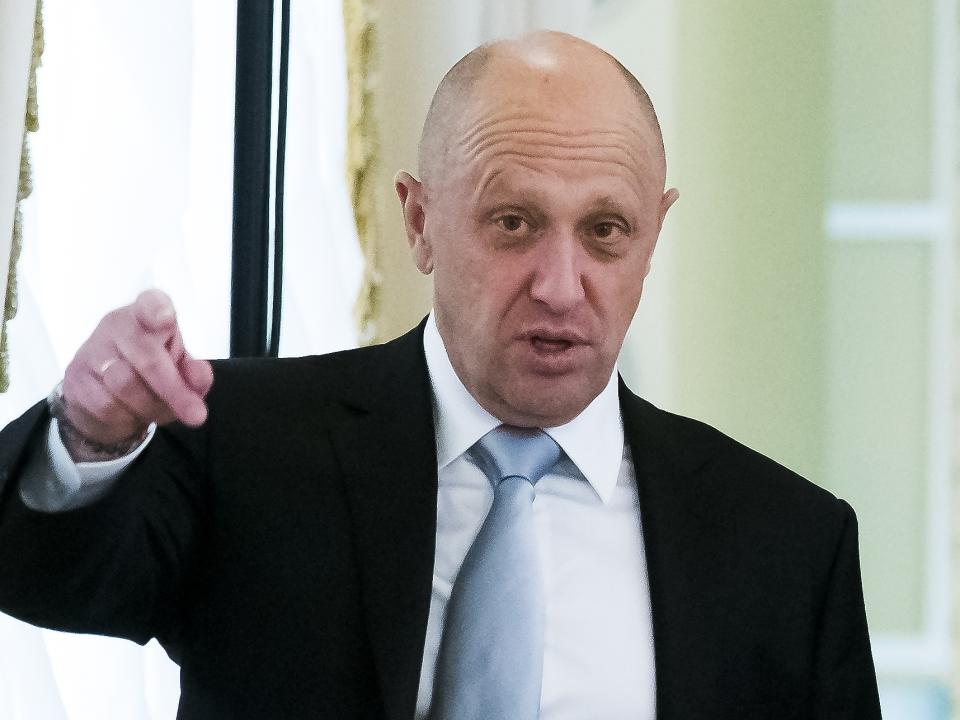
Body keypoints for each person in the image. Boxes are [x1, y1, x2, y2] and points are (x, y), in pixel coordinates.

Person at [0, 31, 880, 719]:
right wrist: (89, 433)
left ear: (656, 231)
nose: (561, 286)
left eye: (606, 230)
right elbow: (36, 572)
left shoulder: (789, 547)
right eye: (513, 222)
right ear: (420, 221)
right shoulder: (246, 445)